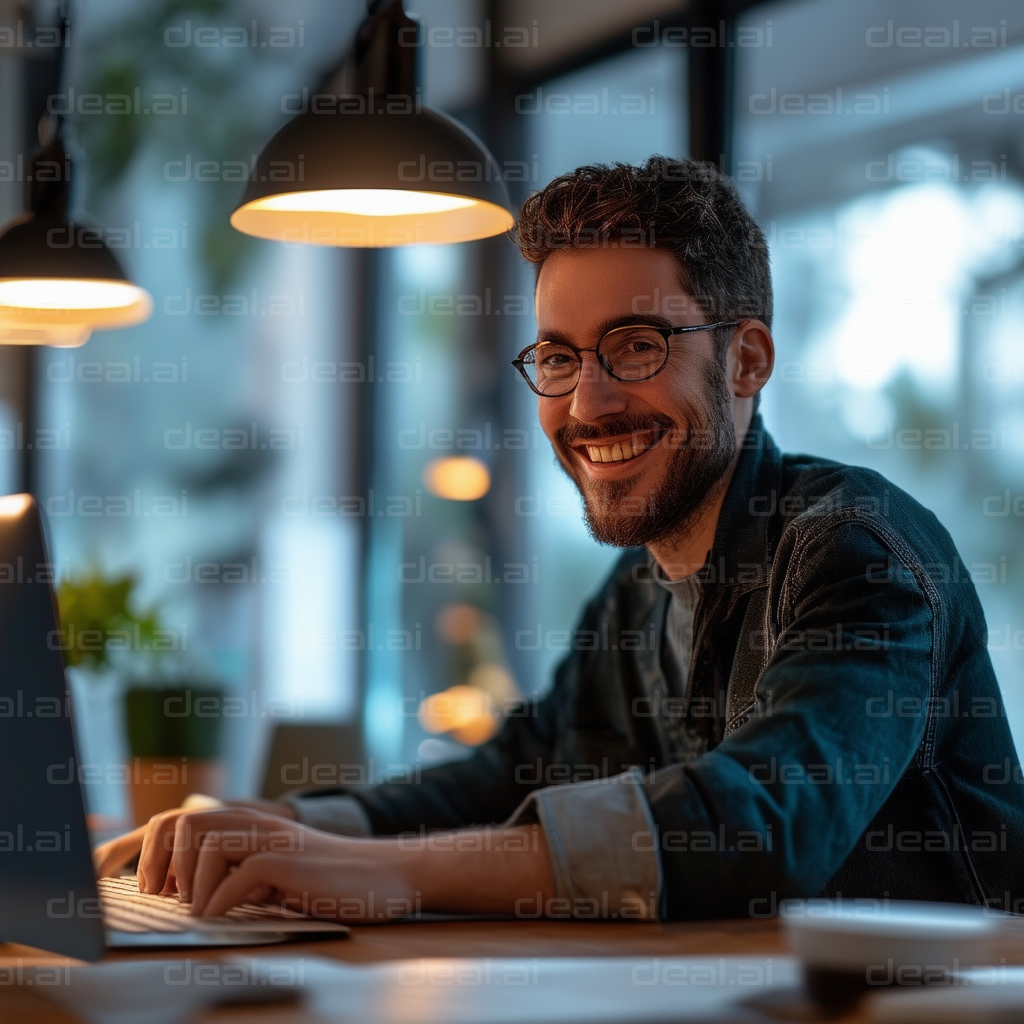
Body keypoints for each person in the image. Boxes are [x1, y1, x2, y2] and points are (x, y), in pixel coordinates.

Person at [97, 157, 1024, 922]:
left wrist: (387, 873)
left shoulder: (857, 549)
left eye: (635, 346)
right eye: (557, 357)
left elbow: (762, 824)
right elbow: (511, 775)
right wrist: (278, 826)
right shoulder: (641, 587)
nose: (586, 403)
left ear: (747, 359)